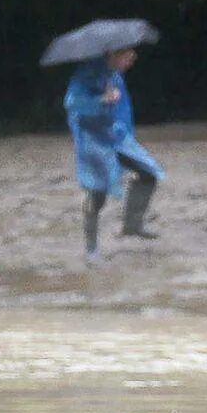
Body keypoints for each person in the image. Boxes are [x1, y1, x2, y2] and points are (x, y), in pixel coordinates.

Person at [65, 47, 163, 263]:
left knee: (148, 173)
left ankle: (132, 225)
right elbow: (72, 103)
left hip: (116, 135)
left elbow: (122, 109)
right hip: (93, 140)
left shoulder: (114, 75)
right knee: (96, 192)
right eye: (128, 56)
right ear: (113, 55)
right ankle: (91, 250)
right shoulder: (86, 74)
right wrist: (101, 100)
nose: (132, 60)